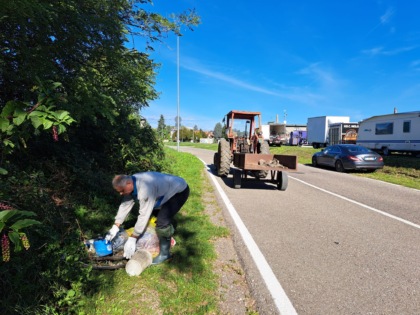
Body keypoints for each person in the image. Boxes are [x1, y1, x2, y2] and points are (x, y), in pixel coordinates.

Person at [105, 172, 190, 264]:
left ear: (129, 184)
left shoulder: (145, 189)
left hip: (179, 192)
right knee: (155, 216)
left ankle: (165, 254)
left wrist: (133, 238)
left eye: (122, 190)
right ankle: (164, 237)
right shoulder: (132, 182)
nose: (121, 193)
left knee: (162, 221)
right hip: (166, 189)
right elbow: (125, 205)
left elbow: (144, 215)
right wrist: (116, 226)